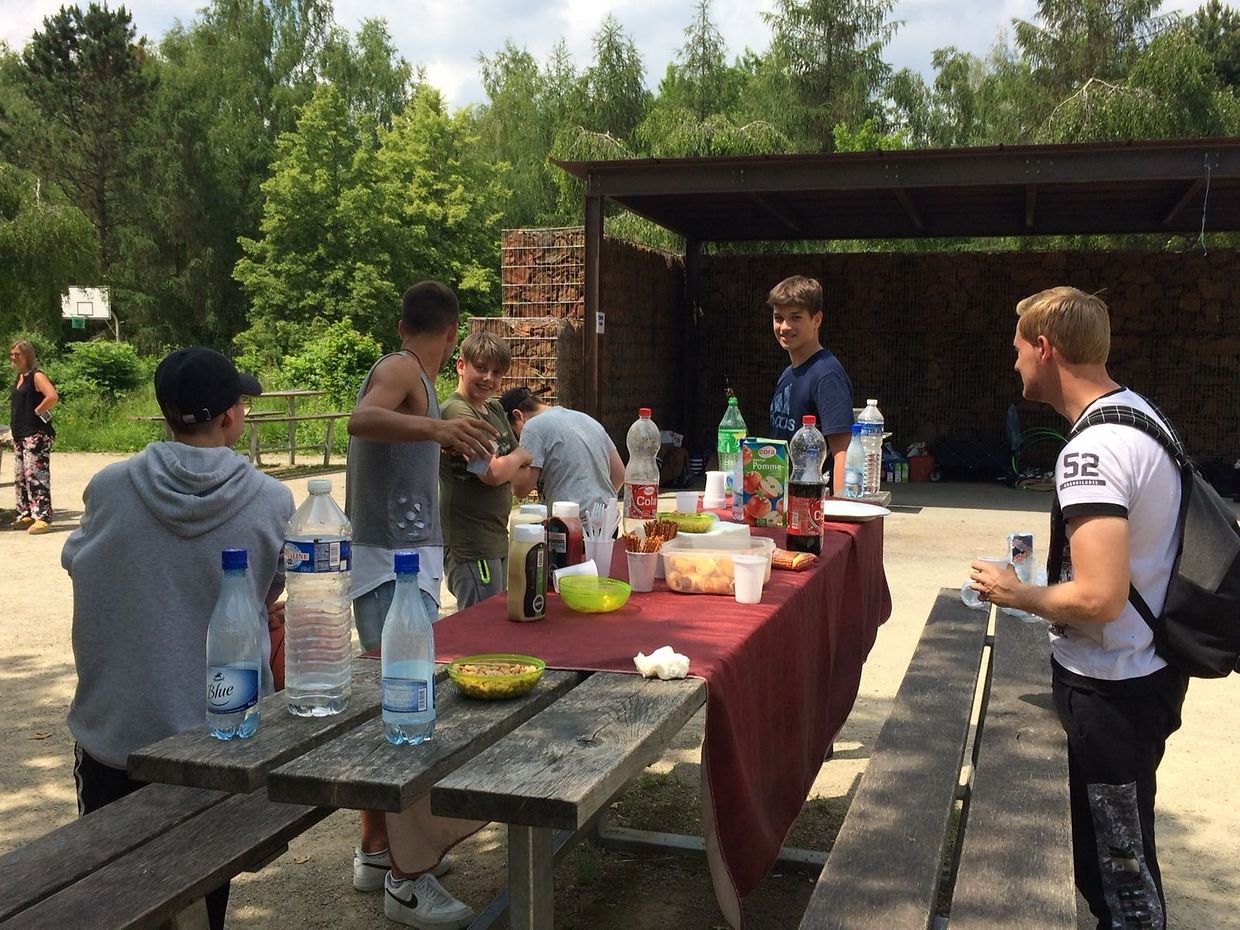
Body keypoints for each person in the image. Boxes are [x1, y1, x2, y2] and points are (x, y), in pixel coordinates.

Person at [969, 286, 1189, 930]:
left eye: (1018, 349)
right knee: (1117, 854)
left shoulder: (1092, 452)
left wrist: (1018, 594)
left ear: (1045, 348)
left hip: (1112, 686)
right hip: (1147, 668)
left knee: (1119, 876)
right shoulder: (1139, 413)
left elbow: (1098, 596)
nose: (1014, 363)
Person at [62, 346, 292, 930]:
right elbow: (271, 589)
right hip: (221, 735)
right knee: (204, 892)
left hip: (117, 738)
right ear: (232, 415)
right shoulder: (272, 499)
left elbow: (77, 561)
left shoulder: (108, 487)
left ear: (165, 413)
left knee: (114, 896)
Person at [345, 280, 493, 929]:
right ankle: (407, 881)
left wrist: (439, 433)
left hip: (403, 564)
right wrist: (437, 427)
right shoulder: (402, 368)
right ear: (451, 333)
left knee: (394, 706)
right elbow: (361, 419)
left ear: (403, 321)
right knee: (406, 711)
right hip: (389, 568)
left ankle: (377, 850)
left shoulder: (418, 379)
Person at [439, 332, 531, 609]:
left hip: (496, 541)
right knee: (481, 626)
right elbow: (492, 473)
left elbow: (523, 478)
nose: (488, 378)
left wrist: (508, 463)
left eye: (497, 372)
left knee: (496, 622)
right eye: (480, 368)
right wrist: (519, 455)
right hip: (472, 546)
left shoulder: (494, 409)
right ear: (461, 365)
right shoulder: (456, 412)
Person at [766, 276, 854, 493]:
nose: (785, 327)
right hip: (780, 498)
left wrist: (840, 507)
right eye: (778, 317)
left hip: (813, 503)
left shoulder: (827, 375)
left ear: (816, 320)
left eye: (795, 317)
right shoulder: (788, 373)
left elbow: (843, 453)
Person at [500, 386, 625, 524]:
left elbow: (522, 490)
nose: (519, 441)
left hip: (568, 525)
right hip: (608, 521)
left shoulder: (532, 427)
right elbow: (620, 474)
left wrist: (512, 461)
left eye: (515, 434)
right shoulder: (586, 419)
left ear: (518, 415)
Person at [9, 339, 58, 534]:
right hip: (20, 434)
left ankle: (43, 516)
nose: (13, 357)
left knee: (36, 475)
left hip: (36, 434)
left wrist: (37, 410)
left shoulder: (36, 376)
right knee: (21, 476)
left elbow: (52, 396)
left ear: (28, 355)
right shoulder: (19, 377)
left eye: (17, 354)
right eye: (12, 354)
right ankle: (26, 512)